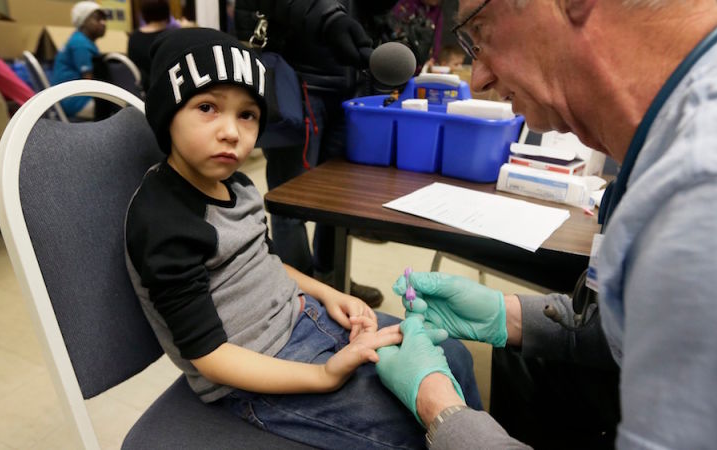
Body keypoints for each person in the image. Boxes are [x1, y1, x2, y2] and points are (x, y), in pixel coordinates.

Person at [374, 0, 717, 448]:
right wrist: (506, 315)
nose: (481, 78)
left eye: (482, 34)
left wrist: (444, 414)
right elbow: (643, 329)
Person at [125, 27, 481, 449]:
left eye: (247, 115)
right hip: (253, 373)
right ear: (168, 112)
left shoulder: (237, 186)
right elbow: (210, 357)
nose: (231, 132)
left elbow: (266, 262)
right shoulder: (164, 222)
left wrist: (330, 296)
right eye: (207, 107)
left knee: (453, 356)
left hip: (305, 318)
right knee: (412, 428)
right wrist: (324, 375)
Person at [234, 0, 399, 307]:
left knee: (339, 199)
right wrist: (328, 18)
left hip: (354, 83)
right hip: (298, 81)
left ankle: (332, 280)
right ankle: (301, 293)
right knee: (289, 202)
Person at [51, 1, 107, 119]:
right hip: (76, 102)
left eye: (104, 19)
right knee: (120, 109)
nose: (103, 23)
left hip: (67, 98)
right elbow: (89, 80)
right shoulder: (80, 44)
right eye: (97, 19)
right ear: (83, 22)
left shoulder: (79, 39)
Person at [127, 0, 171, 92]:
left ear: (143, 14)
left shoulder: (133, 37)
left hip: (139, 92)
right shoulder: (170, 37)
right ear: (167, 13)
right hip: (164, 93)